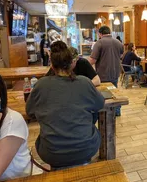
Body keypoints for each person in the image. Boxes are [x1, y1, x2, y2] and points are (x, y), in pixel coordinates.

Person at [27, 41, 104, 169]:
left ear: (52, 65)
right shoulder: (84, 82)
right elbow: (100, 104)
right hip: (85, 148)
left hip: (51, 153)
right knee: (93, 129)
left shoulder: (41, 85)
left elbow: (30, 111)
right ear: (72, 63)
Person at [89, 26, 124, 115]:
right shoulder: (118, 43)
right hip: (115, 73)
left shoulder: (99, 43)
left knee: (104, 94)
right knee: (114, 91)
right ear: (109, 32)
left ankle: (105, 112)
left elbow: (93, 60)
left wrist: (84, 66)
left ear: (100, 34)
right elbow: (121, 56)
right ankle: (116, 111)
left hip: (103, 74)